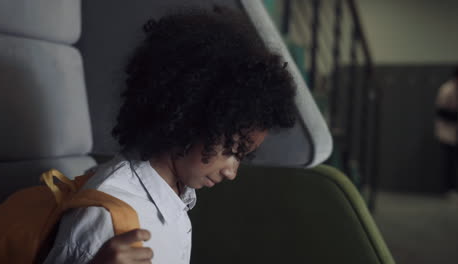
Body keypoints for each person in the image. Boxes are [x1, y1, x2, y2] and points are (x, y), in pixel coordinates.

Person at [44, 7, 298, 264]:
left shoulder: (177, 198)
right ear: (188, 121)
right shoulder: (104, 215)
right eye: (232, 150)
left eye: (243, 155)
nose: (231, 172)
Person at [435, 66, 458, 195]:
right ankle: (449, 189)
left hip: (456, 131)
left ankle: (455, 188)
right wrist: (455, 116)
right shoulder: (447, 90)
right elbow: (440, 111)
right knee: (449, 162)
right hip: (447, 131)